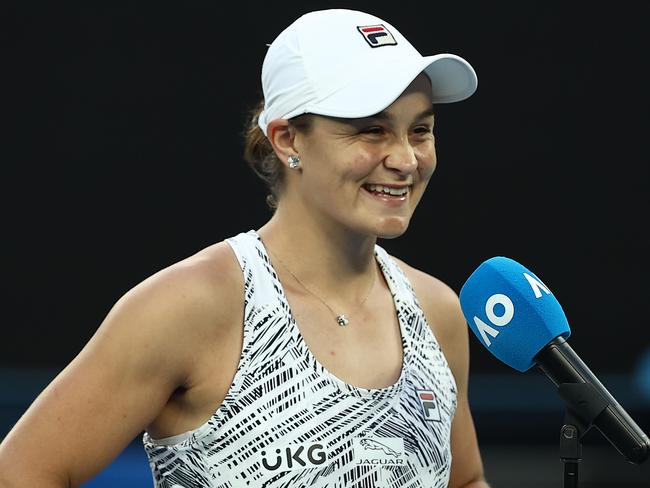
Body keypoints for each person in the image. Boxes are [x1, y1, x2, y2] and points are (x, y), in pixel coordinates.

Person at [0, 8, 490, 488]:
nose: (406, 159)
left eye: (420, 130)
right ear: (286, 138)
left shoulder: (437, 311)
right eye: (371, 129)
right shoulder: (193, 306)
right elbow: (19, 472)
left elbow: (464, 480)